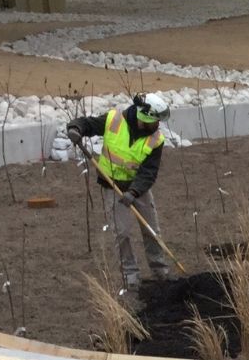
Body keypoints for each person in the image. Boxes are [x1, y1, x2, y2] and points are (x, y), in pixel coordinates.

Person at [67, 93, 172, 289]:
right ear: (144, 118)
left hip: (138, 189)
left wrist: (134, 192)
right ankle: (130, 276)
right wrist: (75, 129)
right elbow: (86, 124)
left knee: (151, 230)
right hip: (112, 186)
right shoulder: (114, 120)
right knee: (122, 233)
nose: (158, 125)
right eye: (155, 121)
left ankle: (160, 271)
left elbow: (149, 172)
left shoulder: (156, 139)